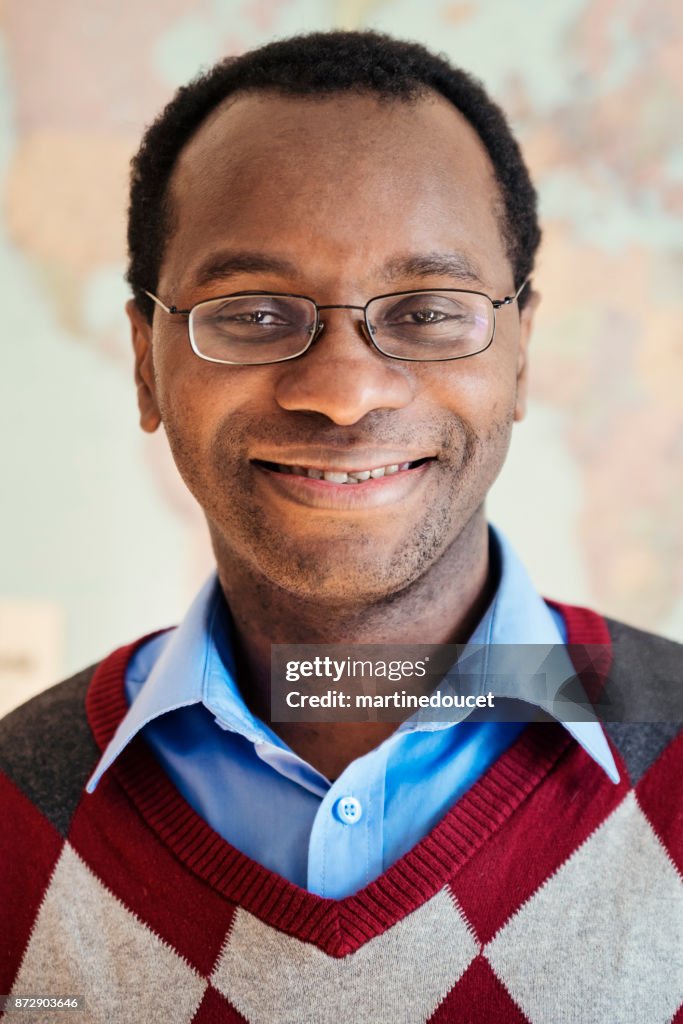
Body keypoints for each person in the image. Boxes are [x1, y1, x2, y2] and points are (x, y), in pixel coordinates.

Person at [1, 30, 681, 1024]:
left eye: (425, 311)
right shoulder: (14, 815)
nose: (344, 393)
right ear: (146, 363)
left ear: (522, 356)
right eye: (253, 314)